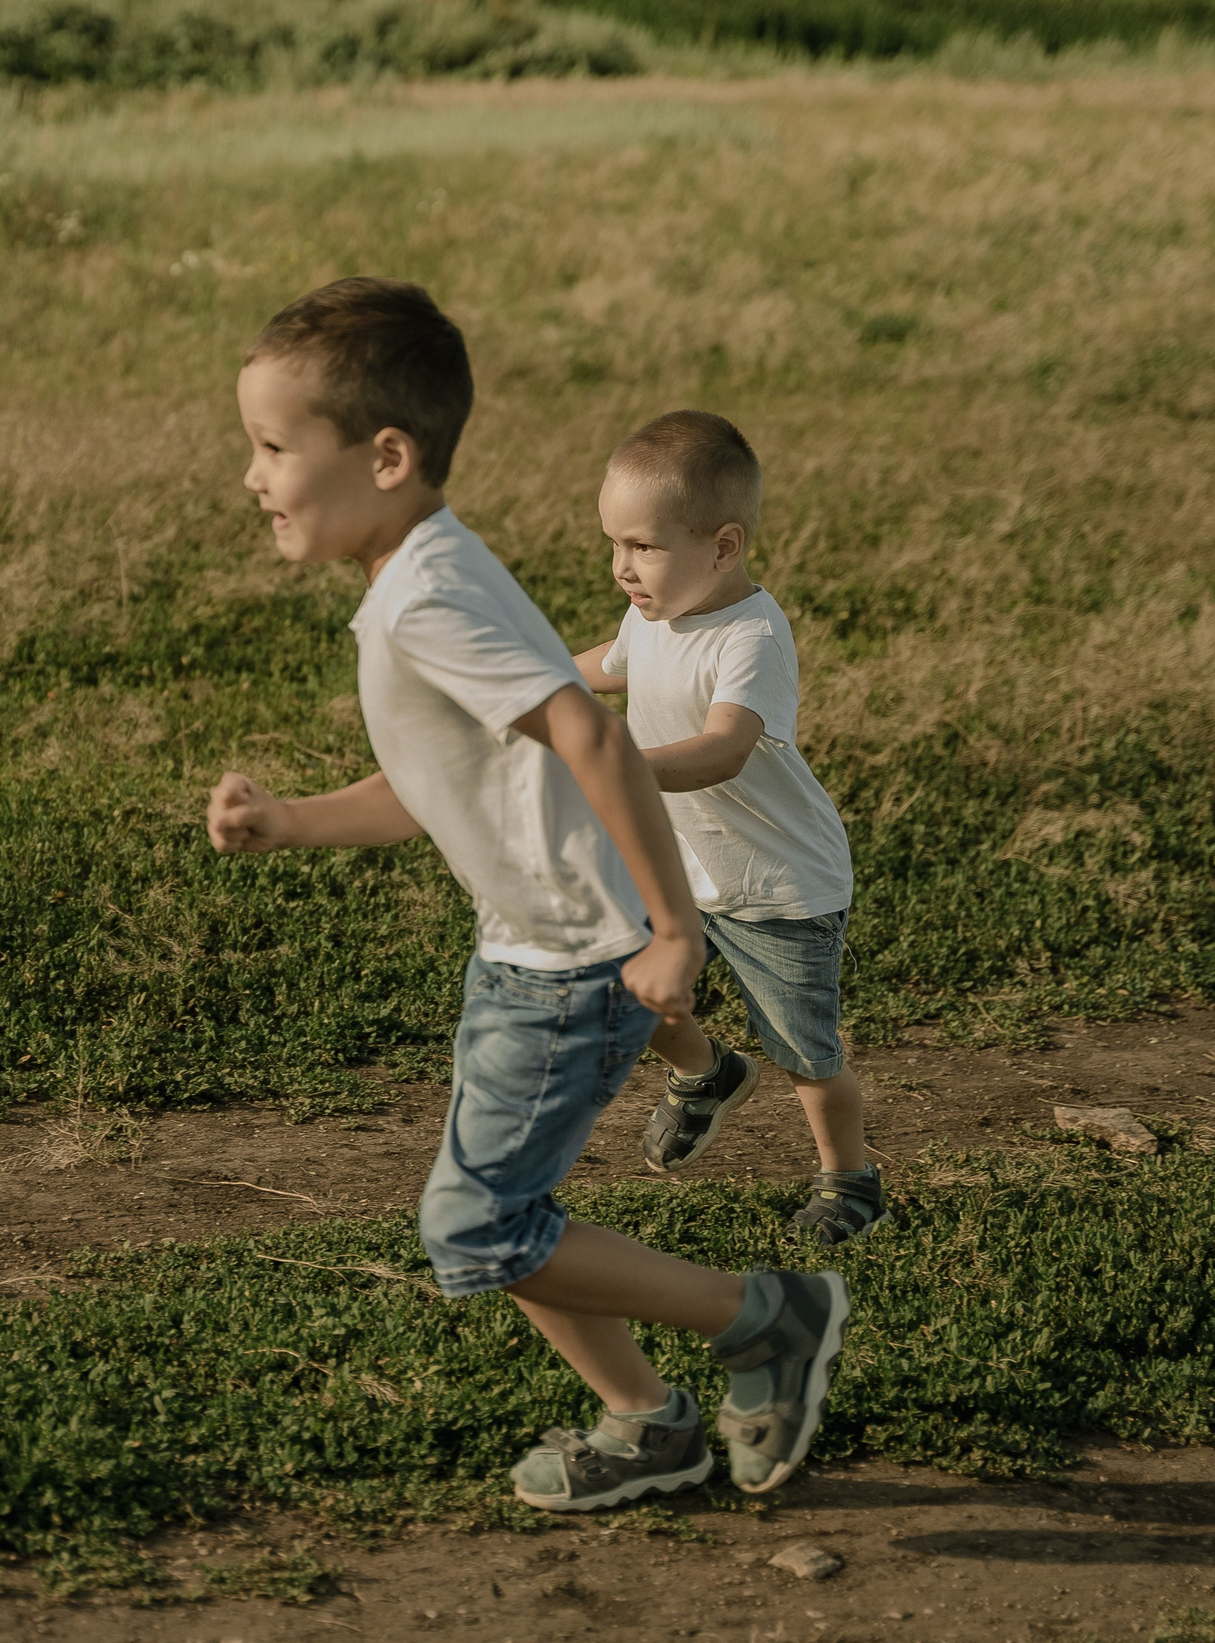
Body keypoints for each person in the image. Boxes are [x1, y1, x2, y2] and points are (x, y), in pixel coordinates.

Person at [205, 278, 849, 1512]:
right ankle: (648, 1422)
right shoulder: (422, 580)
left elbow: (587, 738)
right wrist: (290, 822)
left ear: (385, 456)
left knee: (476, 1226)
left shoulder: (429, 596)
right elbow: (434, 787)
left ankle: (762, 1321)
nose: (254, 477)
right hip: (531, 951)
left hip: (570, 960)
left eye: (275, 448)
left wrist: (671, 931)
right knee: (495, 1218)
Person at [568, 411, 881, 1244]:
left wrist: (619, 763)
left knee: (804, 1054)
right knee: (623, 981)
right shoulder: (655, 611)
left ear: (724, 545)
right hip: (683, 866)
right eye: (614, 543)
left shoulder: (752, 635)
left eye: (642, 546)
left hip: (778, 884)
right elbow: (607, 662)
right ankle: (705, 1074)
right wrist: (525, 686)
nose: (621, 567)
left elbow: (724, 748)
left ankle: (850, 1181)